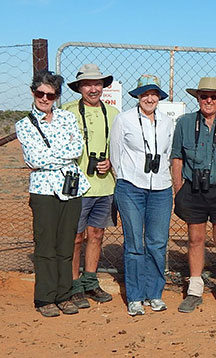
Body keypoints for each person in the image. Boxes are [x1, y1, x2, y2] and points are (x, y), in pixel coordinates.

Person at [16, 70, 90, 317]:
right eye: (40, 93)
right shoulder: (24, 125)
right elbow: (33, 158)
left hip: (71, 188)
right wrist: (62, 154)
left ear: (57, 96)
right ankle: (45, 297)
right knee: (46, 244)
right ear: (33, 92)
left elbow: (77, 148)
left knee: (66, 244)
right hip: (43, 191)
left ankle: (64, 294)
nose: (45, 99)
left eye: (50, 95)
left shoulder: (67, 118)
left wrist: (53, 156)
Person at [172, 77, 216, 314]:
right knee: (195, 239)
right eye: (204, 96)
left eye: (214, 96)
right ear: (198, 98)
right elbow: (177, 158)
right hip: (193, 188)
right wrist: (178, 189)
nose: (209, 100)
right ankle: (194, 289)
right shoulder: (184, 124)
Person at [110, 74, 174, 316]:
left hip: (161, 188)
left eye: (154, 93)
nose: (149, 98)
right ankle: (135, 296)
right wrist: (126, 177)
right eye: (145, 93)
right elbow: (116, 154)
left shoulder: (167, 122)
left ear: (159, 97)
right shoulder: (124, 120)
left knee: (157, 243)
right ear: (137, 96)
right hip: (131, 187)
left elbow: (167, 153)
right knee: (135, 244)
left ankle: (155, 293)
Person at [62, 64, 120, 308]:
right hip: (77, 186)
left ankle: (91, 280)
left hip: (104, 186)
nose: (93, 88)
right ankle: (73, 284)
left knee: (96, 234)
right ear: (79, 88)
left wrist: (111, 162)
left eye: (97, 84)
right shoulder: (67, 112)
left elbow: (119, 148)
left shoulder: (114, 113)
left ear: (104, 86)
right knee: (75, 237)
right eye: (87, 84)